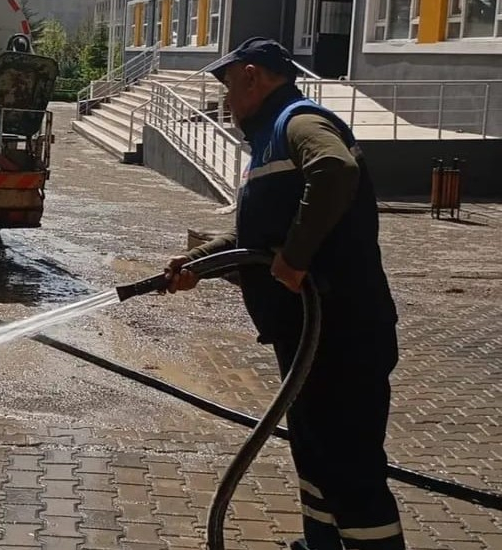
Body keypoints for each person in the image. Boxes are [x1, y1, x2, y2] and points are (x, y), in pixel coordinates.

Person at [163, 37, 405, 550]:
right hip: (305, 340)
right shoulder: (271, 141)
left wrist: (295, 258)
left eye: (229, 86)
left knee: (349, 469)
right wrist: (199, 263)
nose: (227, 101)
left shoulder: (299, 123)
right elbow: (255, 241)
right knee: (315, 459)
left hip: (341, 333)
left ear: (252, 76)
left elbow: (336, 171)